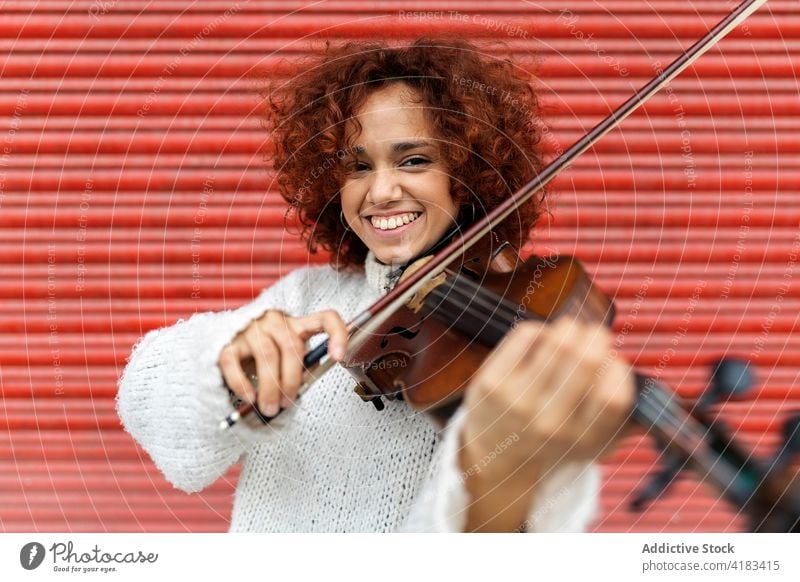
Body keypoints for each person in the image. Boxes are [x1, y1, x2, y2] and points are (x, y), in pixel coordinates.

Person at [116, 37, 634, 532]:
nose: (381, 191)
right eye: (358, 166)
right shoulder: (306, 298)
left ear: (468, 173)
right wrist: (226, 370)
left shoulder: (514, 326)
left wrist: (499, 460)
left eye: (414, 160)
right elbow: (146, 402)